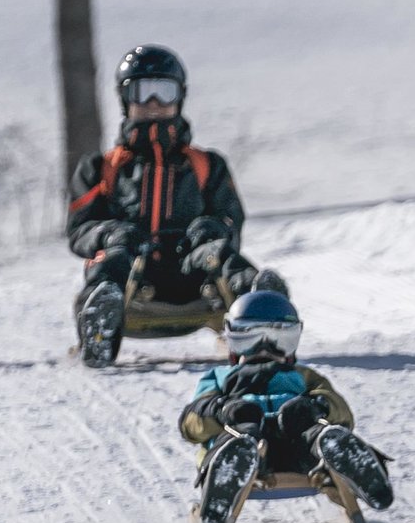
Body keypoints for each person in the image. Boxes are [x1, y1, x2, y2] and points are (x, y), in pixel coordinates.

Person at [66, 44, 287, 367]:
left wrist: (213, 228)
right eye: (143, 92)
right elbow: (79, 231)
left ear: (179, 97)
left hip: (196, 281)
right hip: (134, 286)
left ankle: (261, 313)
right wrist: (113, 233)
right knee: (113, 257)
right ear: (126, 99)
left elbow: (231, 220)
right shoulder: (101, 168)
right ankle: (100, 328)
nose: (154, 103)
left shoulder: (207, 165)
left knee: (217, 249)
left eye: (164, 91)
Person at [178, 290, 392, 523]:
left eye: (279, 339)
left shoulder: (304, 376)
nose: (265, 348)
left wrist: (314, 407)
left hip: (299, 450)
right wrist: (221, 410)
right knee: (241, 435)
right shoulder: (219, 378)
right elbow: (190, 423)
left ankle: (344, 456)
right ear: (233, 339)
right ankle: (227, 475)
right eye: (251, 339)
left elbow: (342, 411)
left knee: (315, 430)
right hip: (251, 452)